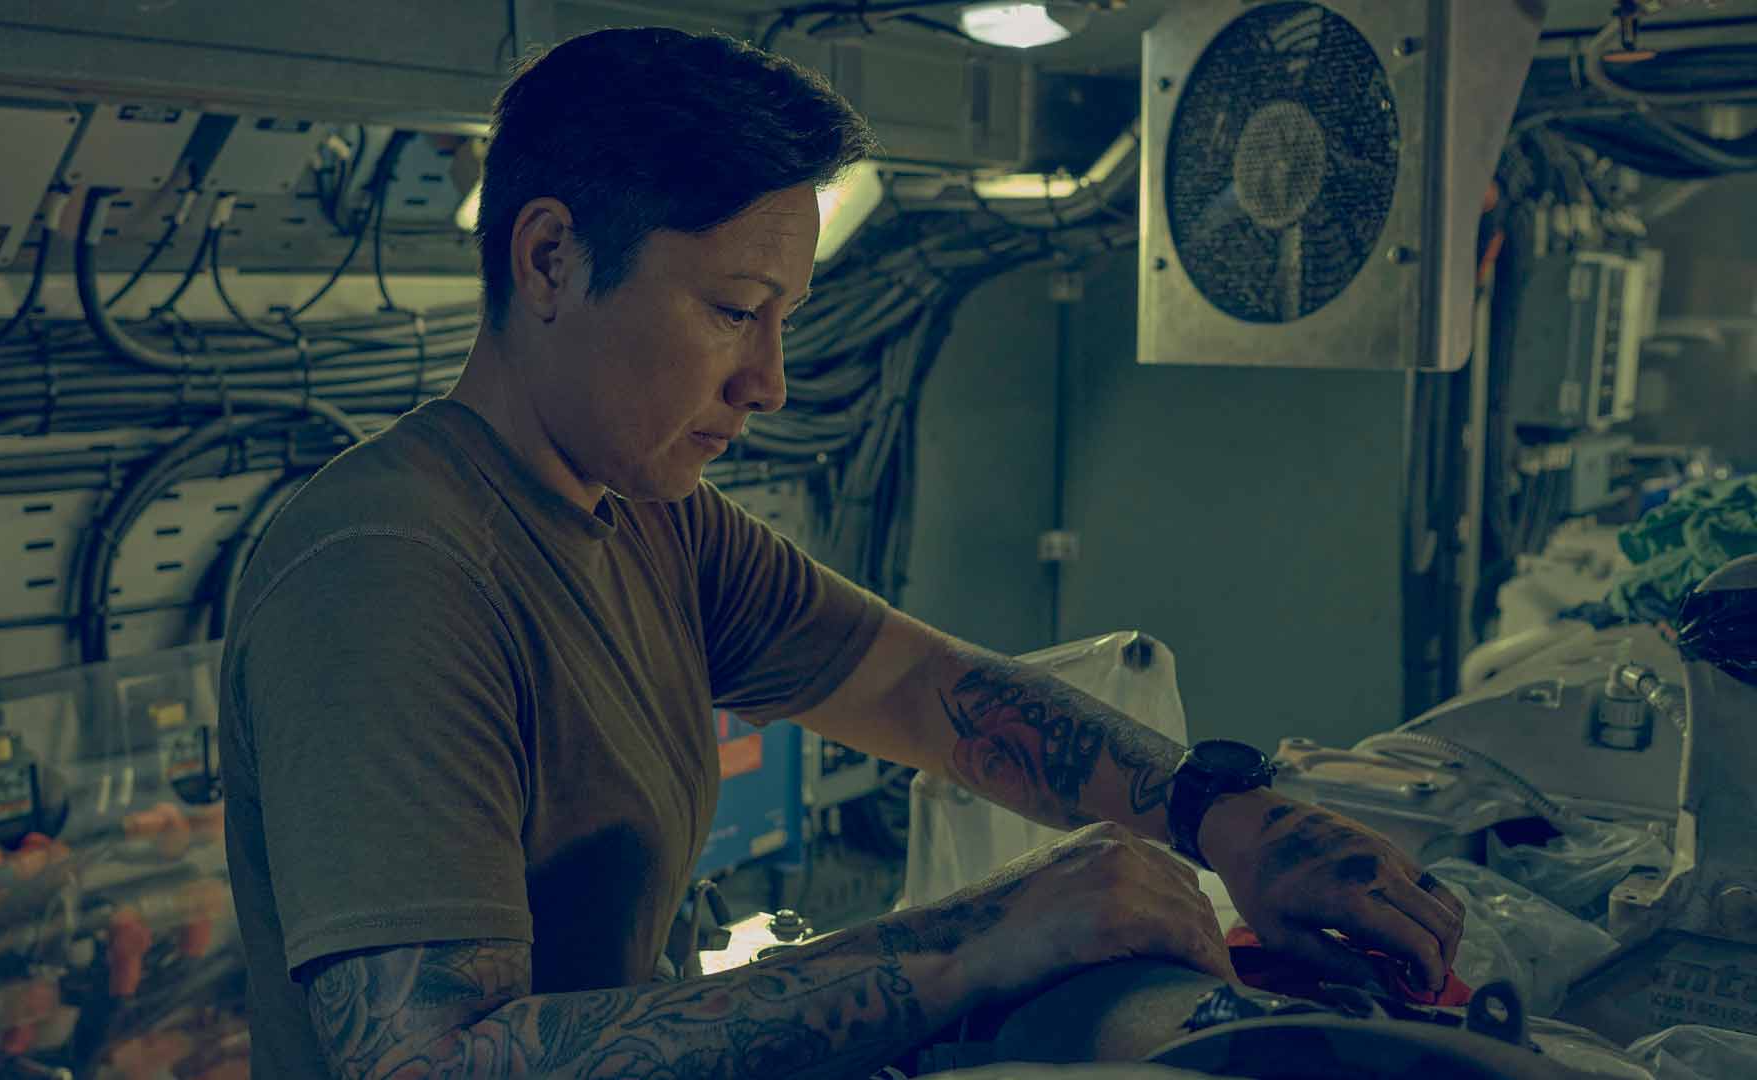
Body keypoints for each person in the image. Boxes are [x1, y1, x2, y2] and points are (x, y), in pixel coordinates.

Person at [218, 26, 1465, 1080]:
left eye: (783, 321)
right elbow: (432, 1063)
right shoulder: (387, 575)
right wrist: (978, 938)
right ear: (549, 258)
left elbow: (919, 687)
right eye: (732, 312)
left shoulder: (648, 514)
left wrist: (1222, 815)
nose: (766, 382)